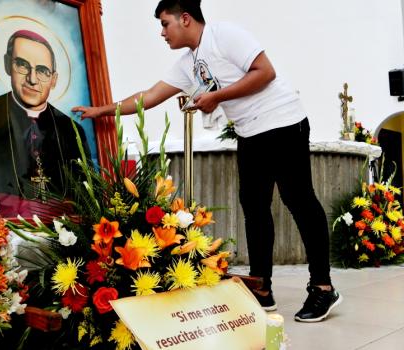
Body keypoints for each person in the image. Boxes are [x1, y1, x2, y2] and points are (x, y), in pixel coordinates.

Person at [72, 0, 341, 322]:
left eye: (165, 23)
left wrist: (217, 97)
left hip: (283, 122)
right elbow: (150, 95)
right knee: (254, 209)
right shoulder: (188, 63)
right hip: (250, 133)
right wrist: (102, 110)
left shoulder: (223, 35)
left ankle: (323, 287)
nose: (162, 32)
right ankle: (261, 288)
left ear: (185, 19)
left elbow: (266, 73)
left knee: (298, 200)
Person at [0, 30, 90, 208]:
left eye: (42, 71)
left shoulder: (72, 130)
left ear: (54, 79)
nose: (32, 79)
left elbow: (86, 194)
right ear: (7, 65)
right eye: (22, 65)